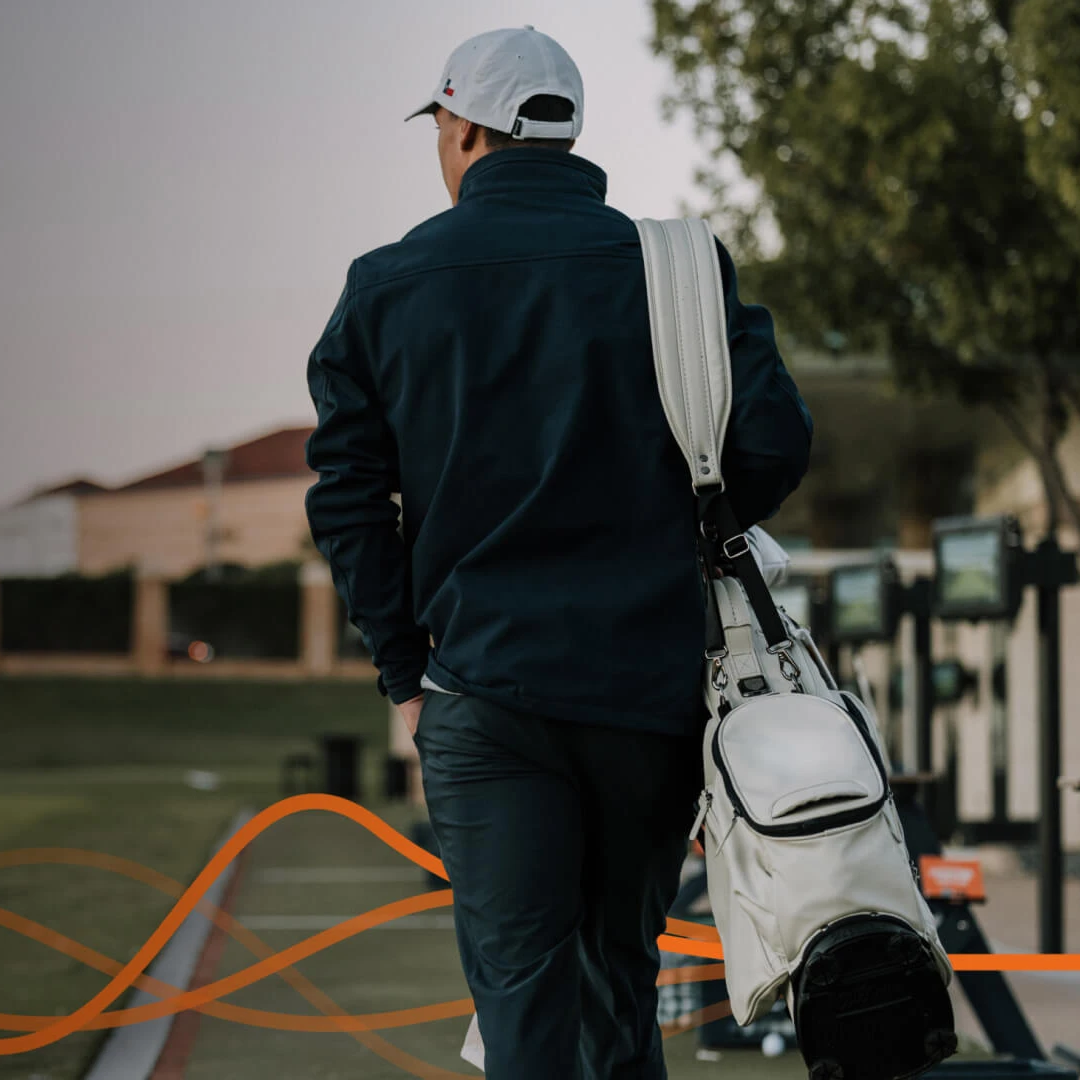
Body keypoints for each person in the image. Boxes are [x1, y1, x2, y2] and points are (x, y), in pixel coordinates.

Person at [301, 26, 814, 1080]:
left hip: (483, 691)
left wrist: (403, 672)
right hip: (647, 692)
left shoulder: (387, 285)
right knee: (617, 979)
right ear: (567, 131)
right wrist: (662, 527)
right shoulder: (681, 264)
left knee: (522, 995)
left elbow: (348, 499)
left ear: (463, 130)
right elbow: (773, 443)